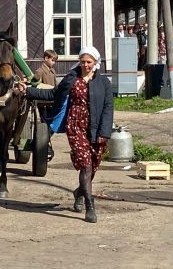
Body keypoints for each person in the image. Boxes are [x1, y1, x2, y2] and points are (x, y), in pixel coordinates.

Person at [19, 46, 113, 223]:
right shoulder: (71, 78)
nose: (85, 65)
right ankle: (90, 204)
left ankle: (80, 191)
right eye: (83, 61)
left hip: (96, 128)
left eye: (89, 62)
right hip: (75, 125)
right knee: (85, 164)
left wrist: (104, 132)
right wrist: (28, 91)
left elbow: (109, 108)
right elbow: (53, 93)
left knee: (92, 166)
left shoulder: (104, 83)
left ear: (95, 63)